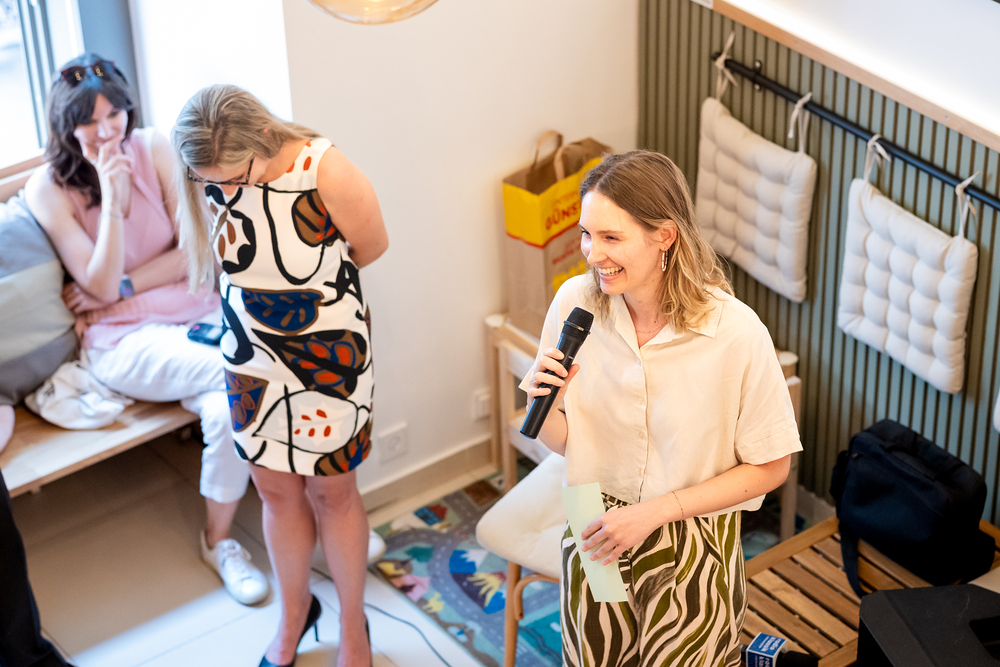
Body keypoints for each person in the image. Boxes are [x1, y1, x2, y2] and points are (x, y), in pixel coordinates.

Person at [522, 150, 801, 667]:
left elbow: (771, 466)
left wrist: (652, 514)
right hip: (594, 525)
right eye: (586, 234)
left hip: (691, 536)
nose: (592, 254)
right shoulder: (574, 304)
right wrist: (551, 406)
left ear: (665, 235)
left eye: (611, 238)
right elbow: (567, 444)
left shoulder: (735, 334)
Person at [23, 54, 269, 606]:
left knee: (228, 407)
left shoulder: (154, 146)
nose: (106, 131)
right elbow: (97, 284)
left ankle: (220, 541)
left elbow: (197, 250)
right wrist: (112, 199)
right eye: (89, 120)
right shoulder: (49, 188)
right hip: (122, 340)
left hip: (196, 311)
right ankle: (303, 506)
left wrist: (126, 284)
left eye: (114, 114)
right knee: (251, 368)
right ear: (65, 123)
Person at [172, 84, 388, 667]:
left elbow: (371, 245)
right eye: (210, 182)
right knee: (274, 491)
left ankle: (352, 625)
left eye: (235, 178)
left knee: (332, 492)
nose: (224, 191)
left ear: (264, 137)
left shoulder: (325, 169)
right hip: (250, 355)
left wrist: (307, 296)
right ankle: (294, 614)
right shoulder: (209, 173)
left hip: (329, 352)